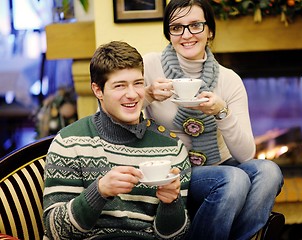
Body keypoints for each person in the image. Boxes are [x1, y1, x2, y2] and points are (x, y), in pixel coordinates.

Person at [143, 0, 284, 239]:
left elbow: (246, 155)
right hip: (174, 170)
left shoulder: (229, 80)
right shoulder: (150, 65)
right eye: (177, 27)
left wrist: (222, 112)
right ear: (169, 33)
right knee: (234, 178)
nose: (187, 35)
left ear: (210, 31)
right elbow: (115, 112)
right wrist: (147, 96)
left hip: (221, 164)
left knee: (269, 171)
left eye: (196, 25)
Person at [42, 41, 192, 240]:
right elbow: (56, 231)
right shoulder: (70, 142)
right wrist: (100, 191)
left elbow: (176, 236)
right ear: (98, 91)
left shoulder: (172, 148)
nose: (132, 95)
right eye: (120, 86)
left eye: (138, 83)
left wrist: (171, 204)